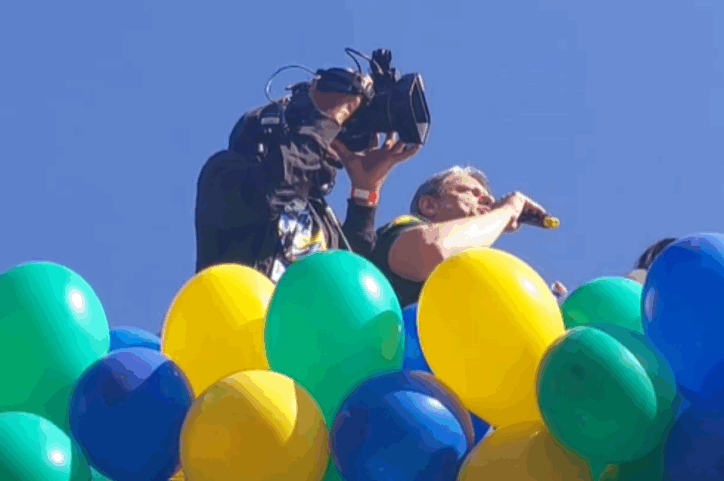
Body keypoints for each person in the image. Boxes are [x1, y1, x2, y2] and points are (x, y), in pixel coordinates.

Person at [195, 75, 420, 283]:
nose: (329, 142)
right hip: (241, 319)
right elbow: (271, 190)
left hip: (304, 324)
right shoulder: (223, 171)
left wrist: (364, 190)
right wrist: (330, 117)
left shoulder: (322, 218)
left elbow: (351, 277)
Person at [369, 165, 553, 307]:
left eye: (488, 197)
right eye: (472, 192)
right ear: (429, 206)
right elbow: (432, 251)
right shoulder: (406, 228)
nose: (488, 200)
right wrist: (508, 210)